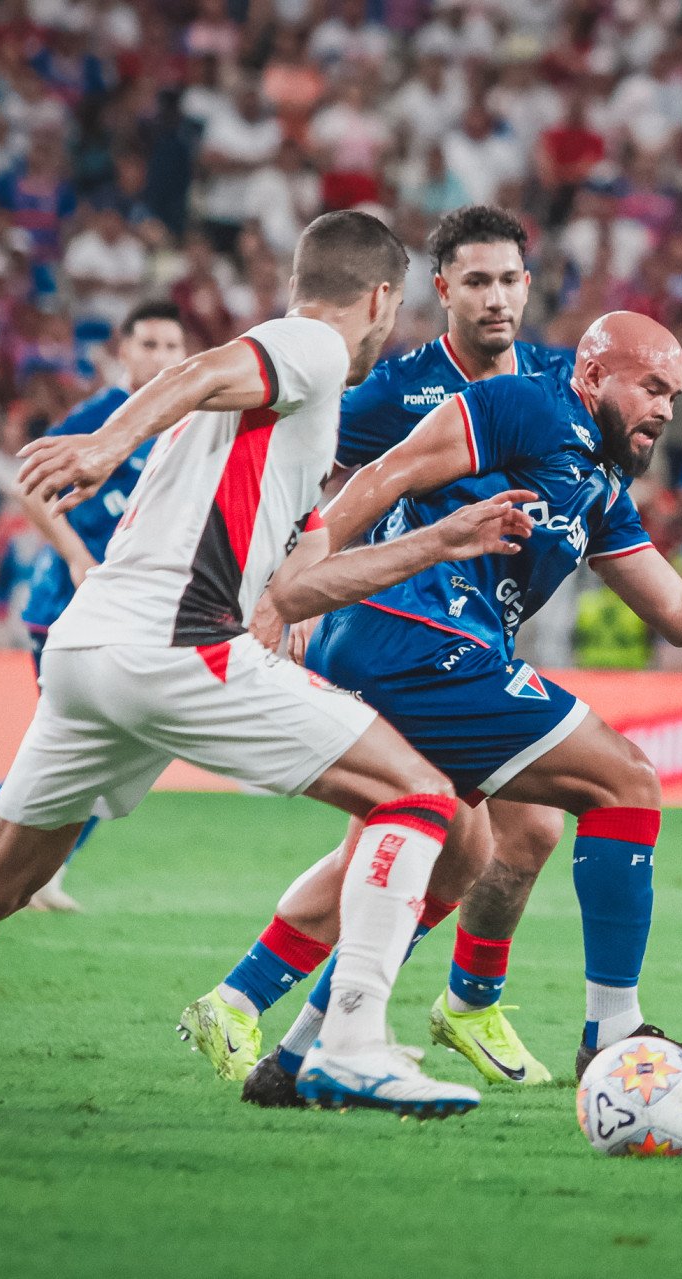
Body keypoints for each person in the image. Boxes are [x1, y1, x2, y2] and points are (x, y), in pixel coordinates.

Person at [0, 211, 539, 1141]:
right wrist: (104, 443)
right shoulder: (312, 343)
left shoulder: (299, 426)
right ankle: (350, 1039)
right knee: (422, 801)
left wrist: (437, 541)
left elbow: (303, 580)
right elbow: (197, 370)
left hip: (89, 653)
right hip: (177, 644)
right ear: (383, 300)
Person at [197, 310, 682, 1112]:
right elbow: (387, 473)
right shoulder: (527, 406)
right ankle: (611, 1030)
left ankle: (296, 1057)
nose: (665, 409)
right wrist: (292, 587)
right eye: (650, 386)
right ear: (593, 374)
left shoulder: (600, 487)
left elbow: (676, 609)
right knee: (626, 782)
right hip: (414, 638)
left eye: (675, 396)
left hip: (426, 651)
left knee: (452, 846)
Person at [177, 206, 599, 1088]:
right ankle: (312, 1017)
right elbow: (300, 463)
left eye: (510, 280)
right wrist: (276, 584)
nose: (495, 298)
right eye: (475, 281)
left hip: (478, 641)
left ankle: (324, 1015)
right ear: (439, 291)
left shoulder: (554, 388)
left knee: (493, 835)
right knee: (440, 824)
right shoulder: (394, 390)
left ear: (529, 285)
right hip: (395, 635)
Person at [0, 300, 190, 913]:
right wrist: (77, 557)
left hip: (132, 612)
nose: (161, 358)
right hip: (67, 609)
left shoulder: (184, 418)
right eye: (148, 345)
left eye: (173, 347)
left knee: (107, 748)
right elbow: (31, 487)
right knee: (87, 746)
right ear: (122, 351)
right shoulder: (99, 417)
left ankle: (4, 834)